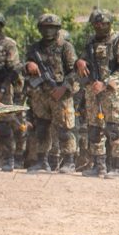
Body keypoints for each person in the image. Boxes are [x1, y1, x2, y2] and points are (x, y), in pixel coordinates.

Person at [76, 8, 119, 179]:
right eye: (97, 24)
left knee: (114, 128)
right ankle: (98, 166)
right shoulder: (90, 42)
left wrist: (106, 83)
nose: (100, 26)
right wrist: (79, 62)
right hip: (93, 90)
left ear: (109, 24)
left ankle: (118, 168)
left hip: (112, 91)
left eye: (103, 23)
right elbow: (82, 61)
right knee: (94, 129)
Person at [24, 13, 78, 173]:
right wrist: (28, 65)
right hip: (41, 95)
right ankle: (42, 161)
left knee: (64, 129)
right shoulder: (34, 48)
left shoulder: (65, 47)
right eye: (45, 28)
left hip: (60, 94)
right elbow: (23, 67)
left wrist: (63, 88)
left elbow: (74, 71)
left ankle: (69, 161)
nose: (48, 31)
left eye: (52, 28)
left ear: (57, 29)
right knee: (41, 128)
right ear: (40, 29)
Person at [0, 11, 22, 171]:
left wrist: (2, 89)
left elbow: (13, 69)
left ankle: (9, 159)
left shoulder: (9, 44)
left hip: (3, 87)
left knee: (4, 124)